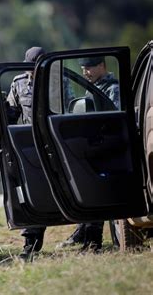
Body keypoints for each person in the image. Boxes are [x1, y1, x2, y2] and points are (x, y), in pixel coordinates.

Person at [56, 56, 119, 250]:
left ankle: (93, 242)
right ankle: (83, 232)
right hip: (93, 146)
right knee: (88, 191)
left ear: (102, 66)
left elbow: (114, 118)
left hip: (107, 148)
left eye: (89, 68)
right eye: (83, 68)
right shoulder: (95, 85)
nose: (85, 72)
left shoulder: (113, 88)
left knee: (96, 194)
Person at [5, 47, 48, 260]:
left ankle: (89, 233)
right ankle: (31, 240)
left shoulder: (57, 79)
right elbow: (12, 113)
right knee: (32, 191)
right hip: (30, 144)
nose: (32, 71)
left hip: (54, 142)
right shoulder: (18, 82)